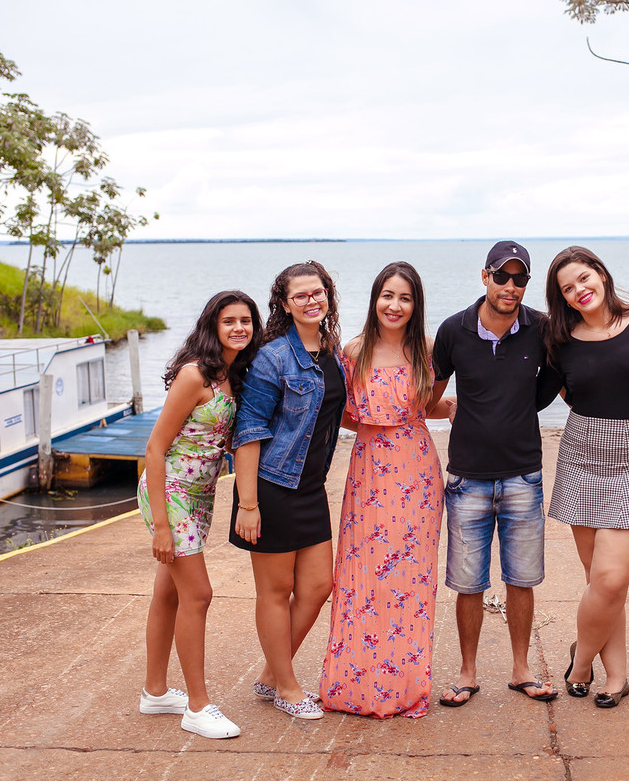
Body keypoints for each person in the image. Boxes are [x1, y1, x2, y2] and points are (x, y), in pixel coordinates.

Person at [430, 240, 562, 707]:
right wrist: (449, 407)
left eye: (520, 278)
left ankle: (521, 668)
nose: (510, 286)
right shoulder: (453, 330)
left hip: (524, 473)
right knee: (468, 582)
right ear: (484, 276)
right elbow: (429, 392)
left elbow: (562, 375)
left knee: (522, 578)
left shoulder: (542, 329)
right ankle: (467, 673)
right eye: (501, 276)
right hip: (466, 477)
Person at [319, 261, 449, 718]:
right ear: (375, 299)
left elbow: (429, 404)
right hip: (370, 470)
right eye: (387, 295)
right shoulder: (352, 351)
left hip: (417, 472)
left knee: (410, 581)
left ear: (416, 305)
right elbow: (341, 412)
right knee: (363, 577)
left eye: (405, 298)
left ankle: (405, 687)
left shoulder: (428, 351)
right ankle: (355, 685)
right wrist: (377, 425)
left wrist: (448, 410)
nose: (395, 306)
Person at [545, 246, 629, 709]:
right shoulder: (560, 338)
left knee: (612, 580)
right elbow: (557, 389)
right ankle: (616, 676)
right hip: (582, 453)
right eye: (567, 288)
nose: (580, 291)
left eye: (583, 278)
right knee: (600, 579)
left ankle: (580, 663)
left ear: (601, 273)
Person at [138, 290, 262, 739]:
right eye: (229, 321)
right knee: (199, 595)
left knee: (168, 594)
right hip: (171, 493)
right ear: (212, 326)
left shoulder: (233, 375)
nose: (239, 329)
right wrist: (162, 524)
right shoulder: (194, 375)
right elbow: (154, 449)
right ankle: (197, 705)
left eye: (246, 321)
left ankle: (154, 692)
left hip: (199, 495)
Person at [229, 261, 345, 721]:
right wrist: (248, 504)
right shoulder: (272, 356)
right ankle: (287, 686)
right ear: (284, 303)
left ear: (328, 296)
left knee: (318, 586)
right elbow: (248, 431)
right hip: (272, 487)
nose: (312, 301)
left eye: (318, 293)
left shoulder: (330, 350)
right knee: (275, 591)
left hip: (310, 486)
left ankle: (270, 672)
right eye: (301, 296)